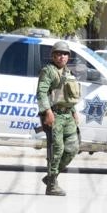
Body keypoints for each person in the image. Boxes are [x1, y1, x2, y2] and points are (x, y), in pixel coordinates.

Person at [36, 41, 80, 196]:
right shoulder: (48, 71)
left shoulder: (68, 72)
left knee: (73, 148)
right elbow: (41, 93)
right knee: (57, 150)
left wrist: (74, 111)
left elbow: (68, 95)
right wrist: (47, 112)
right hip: (55, 115)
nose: (62, 57)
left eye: (65, 54)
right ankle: (52, 185)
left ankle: (50, 177)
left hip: (68, 115)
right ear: (53, 55)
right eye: (59, 54)